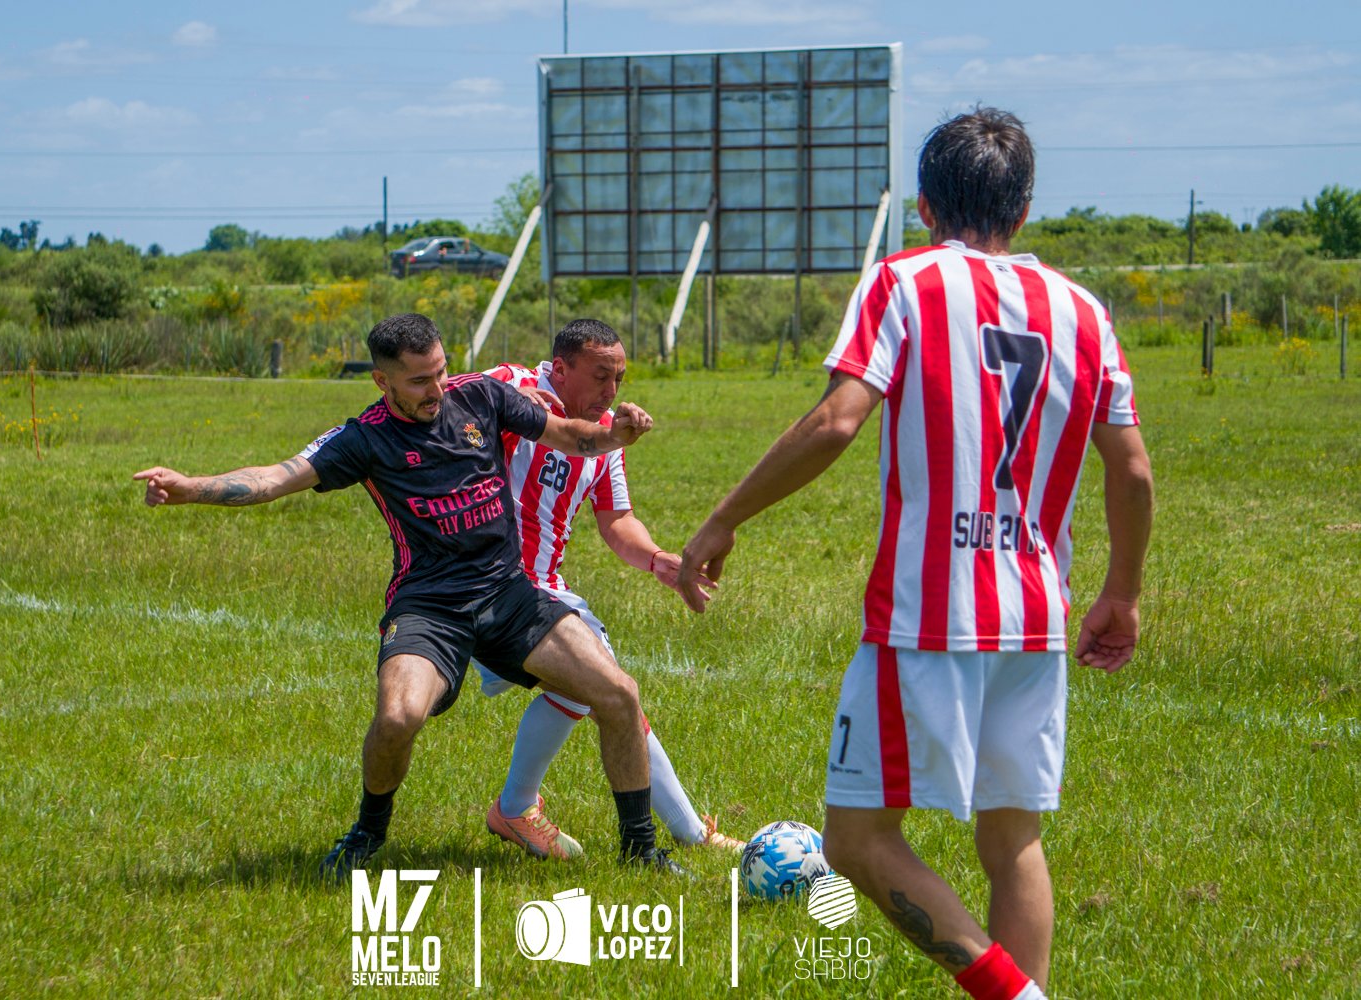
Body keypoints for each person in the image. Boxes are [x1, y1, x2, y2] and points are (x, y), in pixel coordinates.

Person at [677, 109, 1154, 999]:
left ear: (925, 206)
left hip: (929, 616)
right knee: (1012, 839)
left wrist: (724, 518)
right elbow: (1131, 469)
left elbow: (837, 421)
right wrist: (1121, 592)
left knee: (858, 841)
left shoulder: (904, 282)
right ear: (1024, 208)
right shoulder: (1084, 311)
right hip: (1035, 615)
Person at [134, 312, 681, 879]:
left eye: (440, 372)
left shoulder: (481, 396)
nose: (436, 390)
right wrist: (190, 489)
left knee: (619, 693)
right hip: (430, 606)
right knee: (398, 718)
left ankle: (640, 850)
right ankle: (367, 834)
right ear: (383, 381)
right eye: (419, 381)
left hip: (508, 594)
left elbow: (567, 434)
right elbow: (275, 477)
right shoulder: (364, 437)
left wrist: (614, 436)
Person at [474, 319, 745, 861]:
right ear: (560, 369)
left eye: (619, 377)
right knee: (605, 688)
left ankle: (687, 831)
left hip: (542, 588)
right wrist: (504, 402)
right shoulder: (514, 383)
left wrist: (658, 560)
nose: (612, 390)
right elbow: (451, 397)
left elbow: (617, 520)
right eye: (601, 376)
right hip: (487, 583)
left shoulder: (605, 435)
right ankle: (520, 808)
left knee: (604, 691)